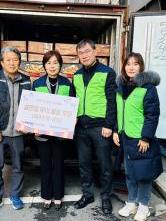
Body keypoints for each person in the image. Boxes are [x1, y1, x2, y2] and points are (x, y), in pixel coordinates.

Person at [113, 53, 163, 221]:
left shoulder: (148, 88)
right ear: (124, 67)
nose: (131, 67)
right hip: (125, 137)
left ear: (141, 67)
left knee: (143, 174)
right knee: (130, 173)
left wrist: (146, 137)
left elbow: (152, 115)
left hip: (140, 139)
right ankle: (132, 203)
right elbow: (117, 112)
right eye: (128, 64)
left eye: (135, 64)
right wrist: (115, 131)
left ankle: (143, 206)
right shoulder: (120, 87)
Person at [0, 46, 31, 215]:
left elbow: (31, 106)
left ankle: (15, 195)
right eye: (8, 59)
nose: (12, 62)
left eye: (15, 59)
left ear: (20, 62)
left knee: (18, 166)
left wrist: (28, 125)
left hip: (18, 133)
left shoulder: (26, 80)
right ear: (2, 62)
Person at [72, 39, 116, 214]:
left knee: (105, 165)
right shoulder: (76, 75)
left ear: (95, 52)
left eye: (87, 51)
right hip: (81, 128)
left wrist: (109, 125)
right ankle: (88, 194)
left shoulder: (107, 73)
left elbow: (112, 101)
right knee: (84, 163)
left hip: (100, 127)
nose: (84, 55)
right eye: (81, 53)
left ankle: (106, 197)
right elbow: (72, 101)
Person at [32, 50, 73, 210]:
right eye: (49, 63)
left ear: (60, 65)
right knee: (46, 165)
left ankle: (58, 195)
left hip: (60, 134)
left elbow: (71, 106)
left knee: (58, 165)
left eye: (55, 62)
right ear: (44, 65)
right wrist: (34, 126)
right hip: (42, 135)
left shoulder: (67, 83)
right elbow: (33, 108)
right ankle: (47, 196)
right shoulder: (37, 83)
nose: (52, 66)